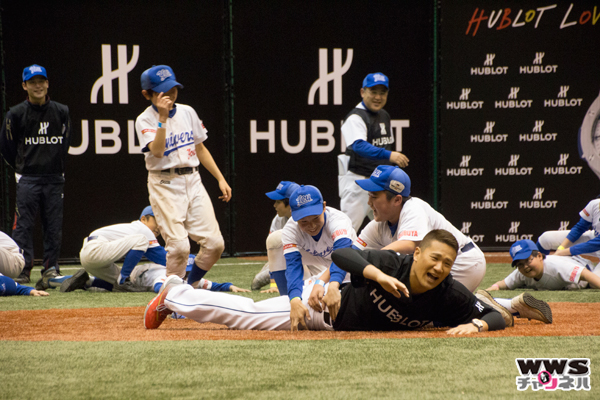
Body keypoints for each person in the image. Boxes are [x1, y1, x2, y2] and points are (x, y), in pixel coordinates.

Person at [143, 229, 506, 334]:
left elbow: (495, 317)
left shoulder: (448, 293)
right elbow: (343, 256)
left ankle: (514, 299)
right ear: (418, 254)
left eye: (448, 263)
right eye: (435, 258)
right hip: (325, 311)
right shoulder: (392, 263)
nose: (440, 267)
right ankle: (177, 293)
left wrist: (477, 325)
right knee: (249, 315)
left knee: (501, 309)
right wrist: (377, 275)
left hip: (338, 316)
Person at [135, 65, 231, 287]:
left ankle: (190, 286)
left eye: (172, 88)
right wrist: (162, 118)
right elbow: (158, 151)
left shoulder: (188, 111)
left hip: (193, 180)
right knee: (179, 247)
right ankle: (173, 300)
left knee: (215, 244)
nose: (169, 94)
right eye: (162, 91)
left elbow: (200, 148)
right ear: (146, 94)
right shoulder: (145, 119)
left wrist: (220, 178)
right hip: (164, 182)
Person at [352, 165, 486, 292]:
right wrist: (334, 283)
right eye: (369, 196)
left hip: (463, 262)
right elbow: (352, 253)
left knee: (423, 309)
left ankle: (495, 306)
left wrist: (372, 258)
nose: (369, 202)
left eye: (374, 197)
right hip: (441, 263)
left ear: (397, 200)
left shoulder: (413, 208)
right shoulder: (379, 224)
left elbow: (410, 244)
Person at [0, 64, 71, 284]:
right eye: (32, 82)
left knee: (53, 227)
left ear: (47, 83)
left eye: (41, 81)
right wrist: (23, 168)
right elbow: (6, 147)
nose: (38, 86)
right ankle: (23, 269)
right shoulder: (16, 113)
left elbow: (65, 143)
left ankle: (50, 270)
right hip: (28, 179)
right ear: (25, 86)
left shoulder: (62, 111)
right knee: (23, 226)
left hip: (53, 178)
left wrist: (55, 166)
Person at [338, 73, 409, 232]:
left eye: (382, 92)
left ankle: (394, 257)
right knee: (345, 231)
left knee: (391, 229)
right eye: (373, 92)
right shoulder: (356, 117)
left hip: (381, 184)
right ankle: (332, 257)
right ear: (363, 92)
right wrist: (389, 155)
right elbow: (359, 146)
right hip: (359, 182)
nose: (378, 97)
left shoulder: (384, 115)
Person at [78, 206, 166, 292]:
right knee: (142, 239)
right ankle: (122, 281)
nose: (159, 226)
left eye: (162, 223)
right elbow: (163, 258)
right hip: (96, 248)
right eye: (157, 221)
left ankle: (84, 281)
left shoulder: (133, 229)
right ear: (143, 219)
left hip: (88, 256)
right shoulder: (142, 229)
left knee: (129, 280)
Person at [487, 239, 600, 291]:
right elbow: (504, 284)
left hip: (590, 270)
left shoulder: (556, 266)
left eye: (528, 260)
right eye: (520, 264)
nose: (525, 266)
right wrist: (491, 289)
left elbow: (585, 274)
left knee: (594, 284)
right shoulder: (522, 273)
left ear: (540, 256)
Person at [251, 181, 300, 292]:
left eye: (278, 202)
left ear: (290, 202)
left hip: (306, 261)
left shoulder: (305, 218)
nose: (274, 205)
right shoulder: (278, 219)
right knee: (256, 282)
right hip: (285, 260)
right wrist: (274, 285)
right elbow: (274, 254)